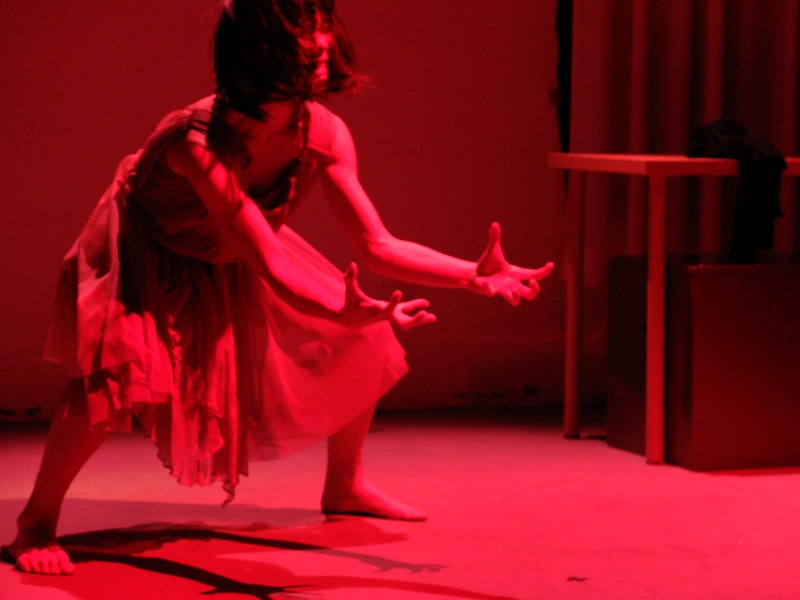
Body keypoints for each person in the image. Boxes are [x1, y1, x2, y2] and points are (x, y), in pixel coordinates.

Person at [3, 0, 554, 576]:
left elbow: (377, 244)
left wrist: (471, 275)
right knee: (111, 382)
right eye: (302, 30)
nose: (321, 43)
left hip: (231, 247)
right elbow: (269, 262)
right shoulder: (198, 141)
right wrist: (339, 309)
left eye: (322, 27)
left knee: (361, 339)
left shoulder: (322, 130)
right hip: (148, 247)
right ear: (258, 49)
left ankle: (344, 486)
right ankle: (35, 522)